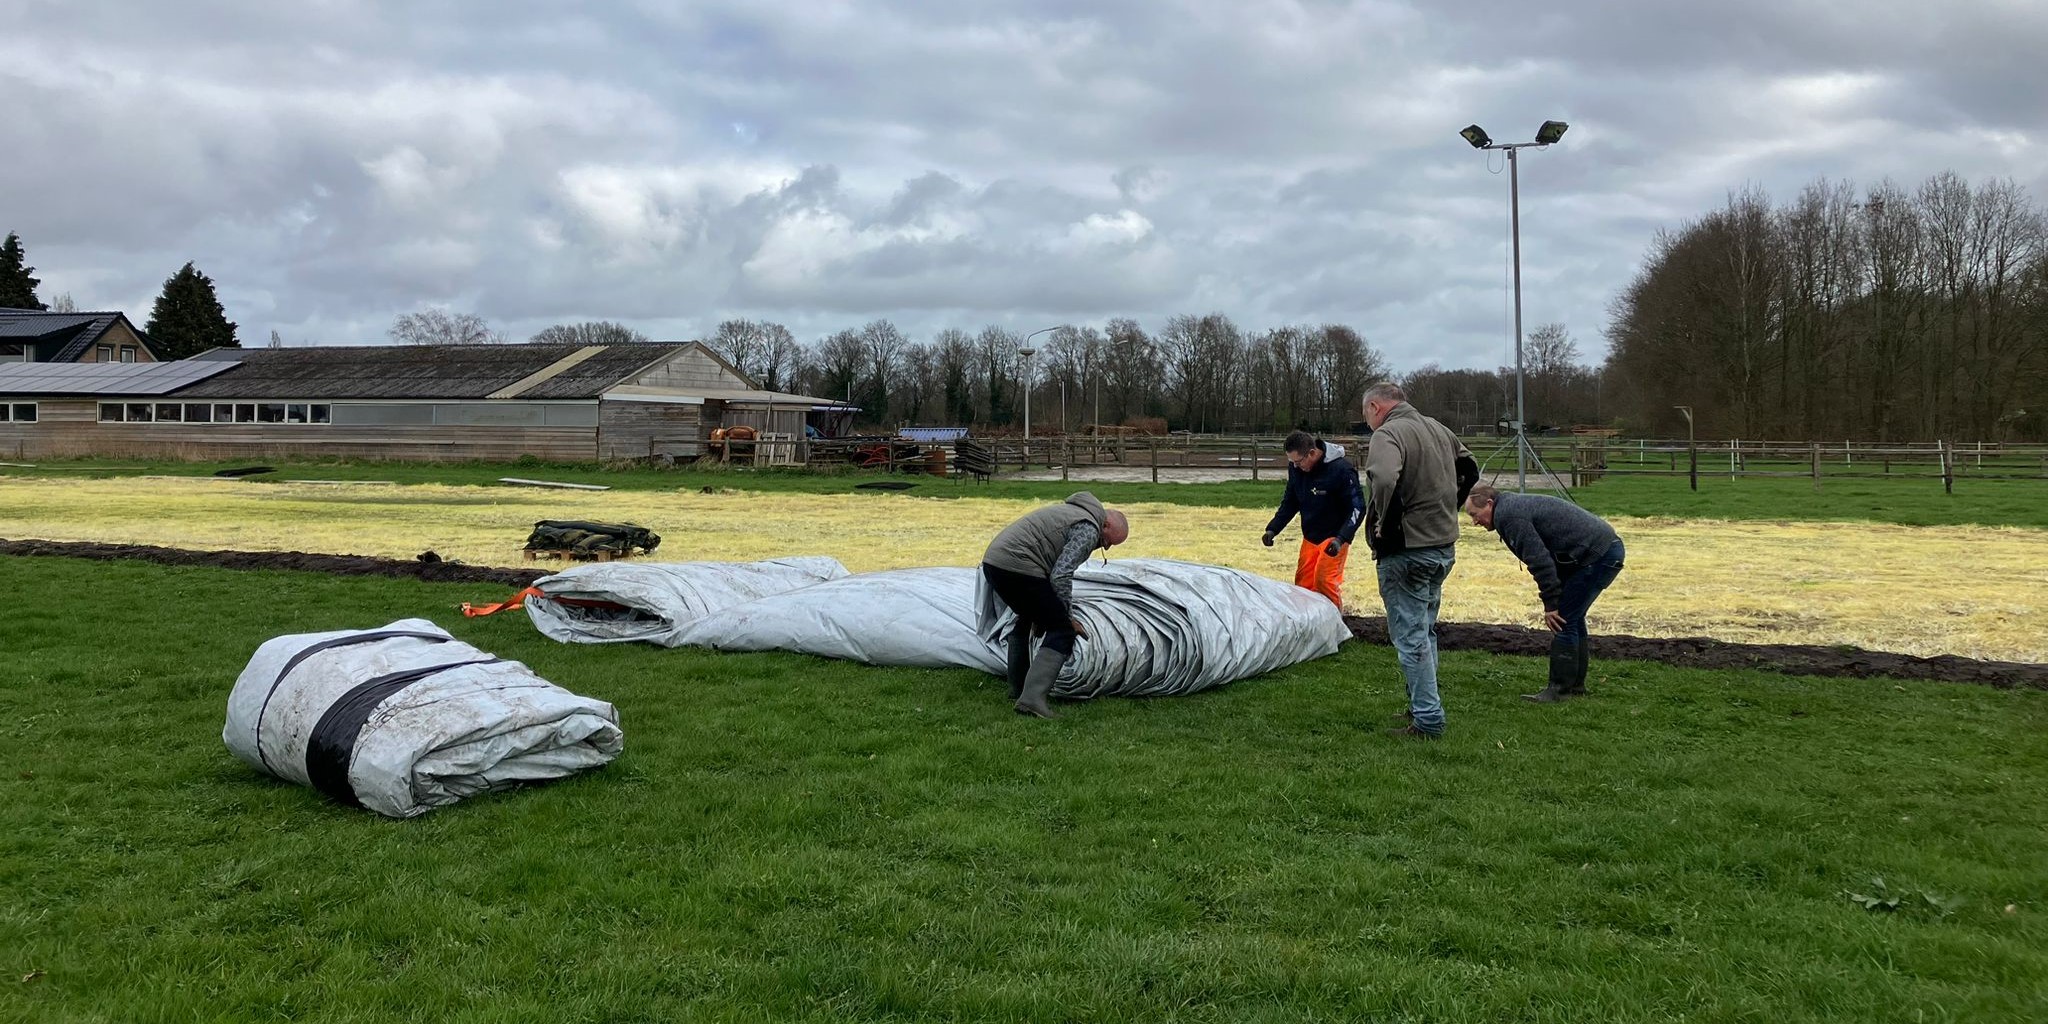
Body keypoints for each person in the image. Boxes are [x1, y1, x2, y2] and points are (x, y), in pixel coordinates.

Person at [1361, 382, 1478, 740]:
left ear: (1376, 407)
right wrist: (1450, 507)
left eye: (1366, 413)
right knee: (1424, 631)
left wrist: (1385, 521)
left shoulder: (1389, 433)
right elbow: (1470, 468)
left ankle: (1428, 719)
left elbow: (1382, 477)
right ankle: (1419, 707)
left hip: (1407, 550)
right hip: (1442, 546)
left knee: (1410, 637)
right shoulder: (1438, 428)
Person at [1463, 484, 1625, 703]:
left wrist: (1551, 605)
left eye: (1474, 514)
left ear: (1489, 504)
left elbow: (1539, 561)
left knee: (1563, 620)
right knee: (1572, 618)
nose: (1474, 521)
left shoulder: (1509, 516)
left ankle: (1558, 691)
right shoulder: (1509, 508)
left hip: (1598, 555)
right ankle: (1574, 687)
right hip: (1599, 550)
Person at [979, 492, 1131, 718]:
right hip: (1017, 567)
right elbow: (1061, 575)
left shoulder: (1072, 512)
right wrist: (1067, 617)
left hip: (995, 563)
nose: (1106, 547)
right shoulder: (1089, 528)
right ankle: (1031, 700)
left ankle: (1018, 689)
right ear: (1105, 524)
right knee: (1062, 629)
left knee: (1028, 618)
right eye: (1109, 540)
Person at [1261, 431, 1365, 607]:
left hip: (1334, 536)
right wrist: (1273, 528)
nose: (1295, 466)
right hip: (1310, 535)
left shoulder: (1342, 470)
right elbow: (1290, 501)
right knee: (1303, 584)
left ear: (1311, 453)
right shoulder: (1297, 469)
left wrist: (1341, 539)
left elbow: (1358, 507)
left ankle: (1334, 625)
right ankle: (1308, 623)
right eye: (1292, 462)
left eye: (1298, 462)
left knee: (1324, 580)